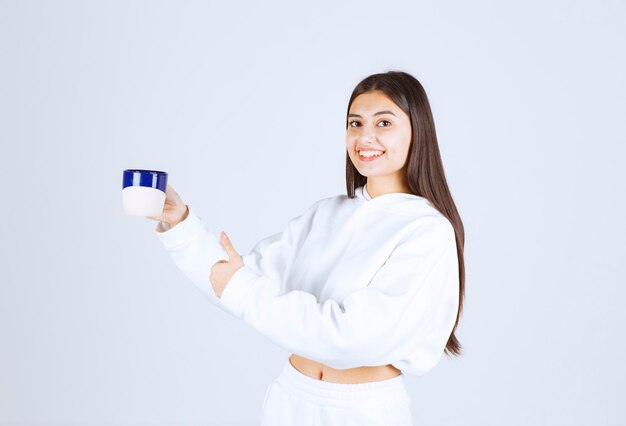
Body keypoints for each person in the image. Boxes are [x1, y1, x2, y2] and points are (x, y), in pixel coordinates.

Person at [146, 70, 466, 426]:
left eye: (384, 122)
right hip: (290, 400)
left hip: (364, 413)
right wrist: (180, 225)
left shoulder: (427, 232)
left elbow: (354, 338)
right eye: (355, 123)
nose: (365, 136)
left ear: (417, 132)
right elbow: (233, 280)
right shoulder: (327, 213)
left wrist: (244, 290)